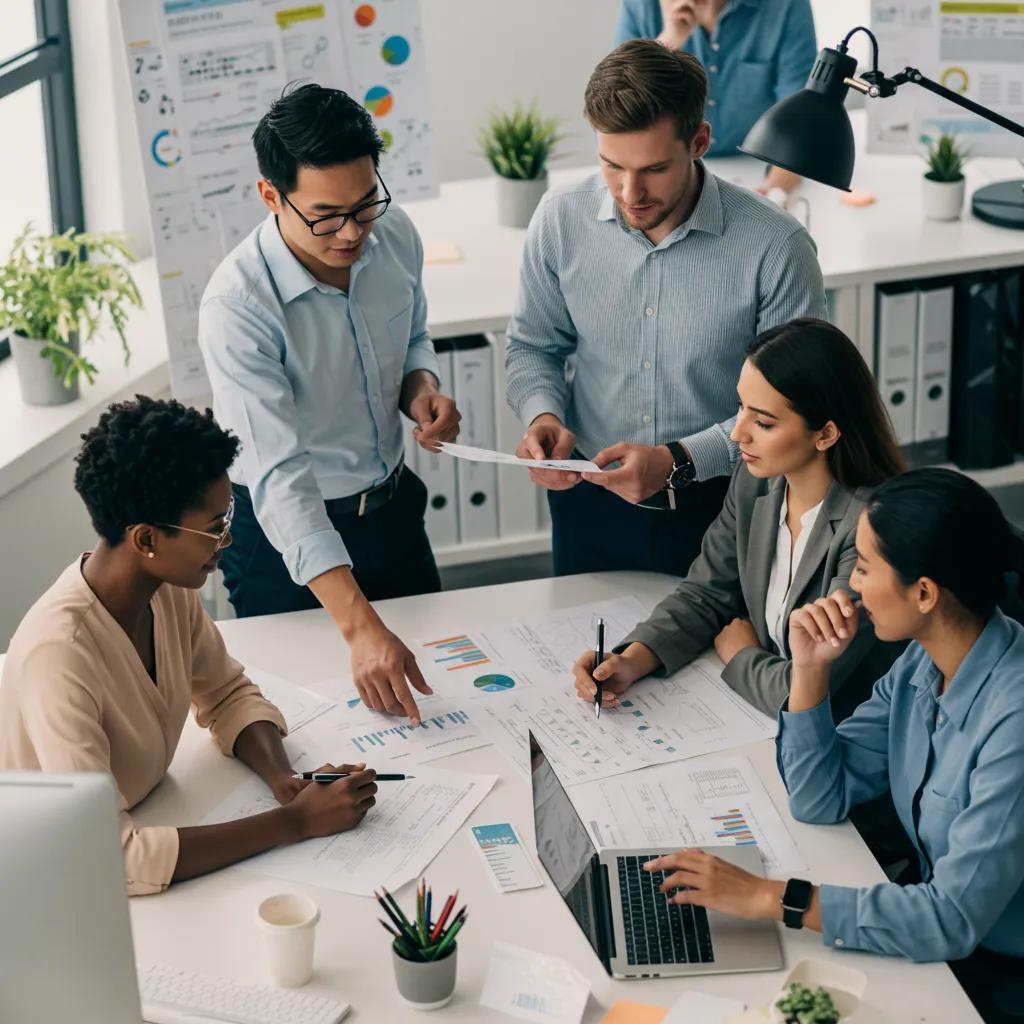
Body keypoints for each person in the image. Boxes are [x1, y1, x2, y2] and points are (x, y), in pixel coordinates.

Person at [642, 469, 1024, 1024]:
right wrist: (810, 670)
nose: (852, 586)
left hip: (998, 972)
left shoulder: (1012, 721)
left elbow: (950, 919)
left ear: (924, 593)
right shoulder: (926, 658)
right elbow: (822, 795)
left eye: (865, 568)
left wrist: (767, 898)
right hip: (941, 935)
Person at [0, 397, 378, 896]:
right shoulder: (60, 656)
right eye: (214, 527)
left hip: (153, 809)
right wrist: (294, 823)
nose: (228, 539)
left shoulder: (167, 592)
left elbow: (226, 694)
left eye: (229, 515)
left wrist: (285, 781)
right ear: (146, 540)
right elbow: (110, 858)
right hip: (40, 875)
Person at [507, 40, 826, 579]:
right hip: (589, 502)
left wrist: (679, 460)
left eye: (653, 169)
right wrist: (542, 415)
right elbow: (533, 346)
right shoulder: (560, 219)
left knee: (718, 659)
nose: (629, 192)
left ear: (699, 141)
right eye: (612, 166)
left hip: (726, 508)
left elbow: (792, 404)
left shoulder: (777, 246)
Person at [198, 84, 461, 727]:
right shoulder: (237, 309)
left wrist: (420, 387)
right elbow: (279, 478)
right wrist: (357, 624)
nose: (352, 233)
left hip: (392, 512)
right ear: (270, 196)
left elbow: (413, 333)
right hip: (280, 542)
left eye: (364, 204)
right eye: (325, 215)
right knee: (313, 725)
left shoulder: (392, 234)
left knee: (439, 701)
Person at [570, 318, 906, 718]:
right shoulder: (756, 482)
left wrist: (740, 654)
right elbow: (707, 593)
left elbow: (809, 691)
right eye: (741, 408)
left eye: (763, 422)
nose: (736, 434)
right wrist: (632, 659)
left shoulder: (874, 529)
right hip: (759, 721)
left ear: (826, 433)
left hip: (845, 737)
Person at [615, 0, 817, 194]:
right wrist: (667, 42)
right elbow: (618, 114)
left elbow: (800, 119)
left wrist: (775, 190)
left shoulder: (787, 4)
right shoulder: (640, 5)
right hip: (669, 168)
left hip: (757, 165)